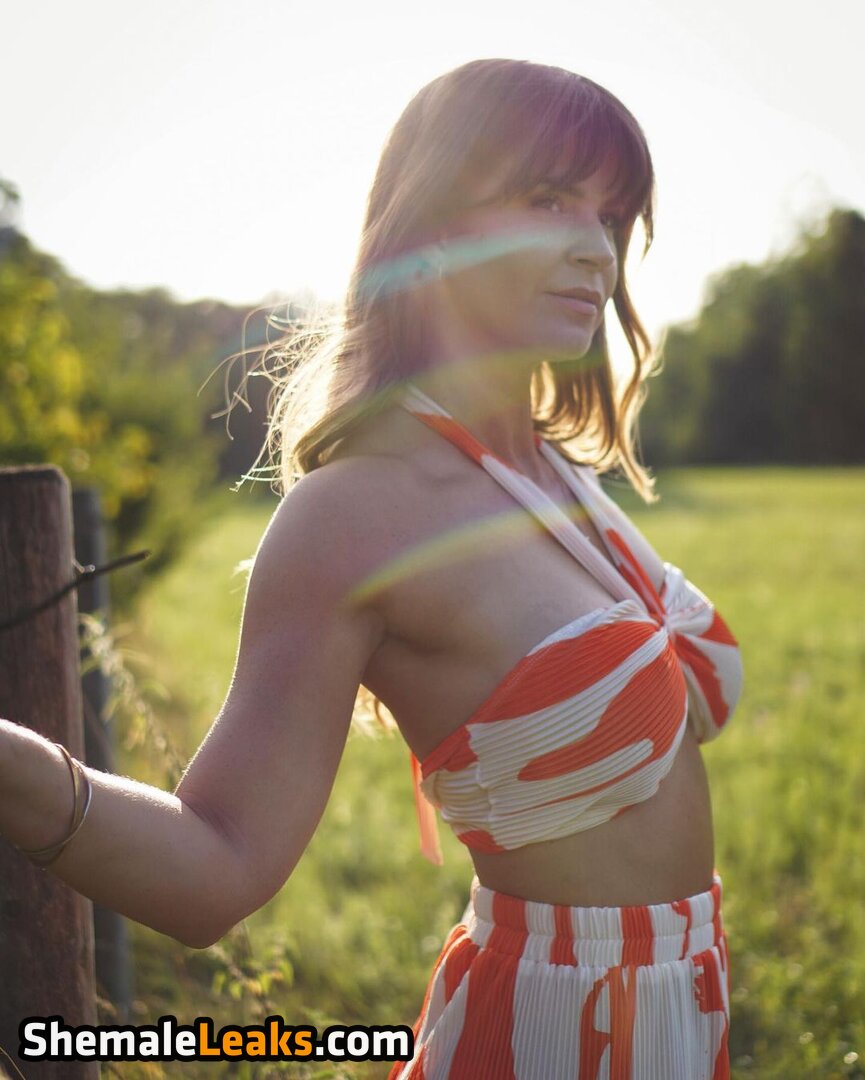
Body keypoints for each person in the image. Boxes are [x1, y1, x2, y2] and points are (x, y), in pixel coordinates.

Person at [0, 58, 743, 1078]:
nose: (595, 250)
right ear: (429, 227)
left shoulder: (555, 469)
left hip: (685, 1012)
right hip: (543, 1035)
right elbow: (215, 866)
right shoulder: (355, 513)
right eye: (547, 199)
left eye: (610, 215)